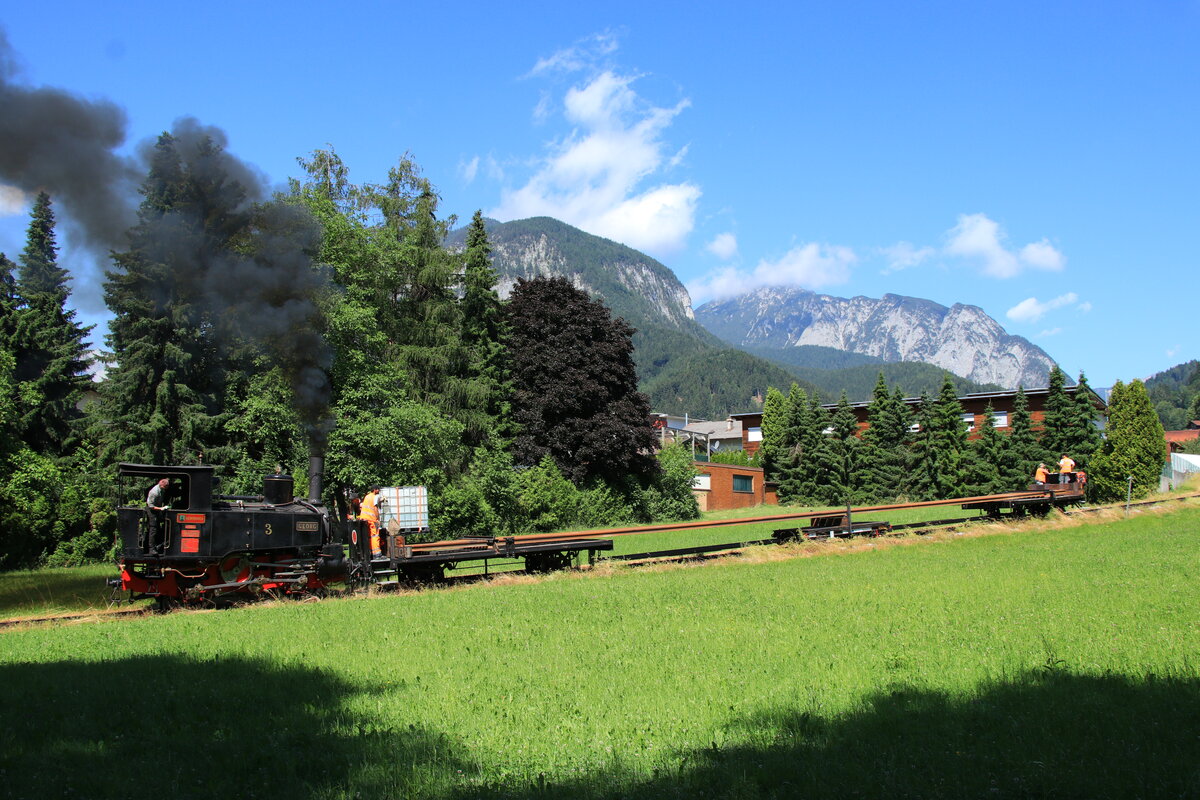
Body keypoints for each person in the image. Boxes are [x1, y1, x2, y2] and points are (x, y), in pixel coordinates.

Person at [146, 478, 170, 555]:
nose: (166, 488)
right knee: (153, 529)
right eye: (165, 486)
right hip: (152, 511)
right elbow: (151, 506)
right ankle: (151, 549)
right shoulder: (154, 492)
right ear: (161, 484)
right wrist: (161, 508)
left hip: (157, 510)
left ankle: (158, 546)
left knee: (158, 529)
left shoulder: (161, 489)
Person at [361, 485, 382, 558]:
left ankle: (369, 552)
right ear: (375, 490)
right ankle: (377, 554)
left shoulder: (367, 496)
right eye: (378, 489)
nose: (379, 491)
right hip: (372, 519)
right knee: (375, 536)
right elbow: (375, 508)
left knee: (369, 536)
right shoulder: (375, 497)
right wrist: (377, 519)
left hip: (364, 519)